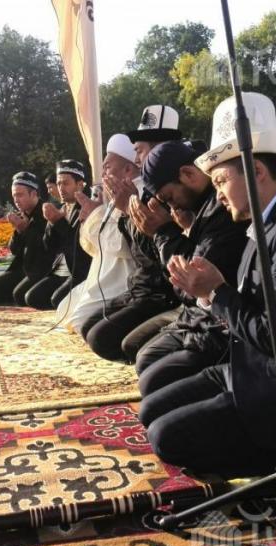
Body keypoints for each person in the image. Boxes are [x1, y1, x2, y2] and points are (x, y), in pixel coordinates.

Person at [140, 92, 276, 478]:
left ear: (256, 171)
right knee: (150, 409)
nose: (219, 194)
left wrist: (215, 292)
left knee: (164, 437)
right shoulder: (268, 222)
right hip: (250, 371)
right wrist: (209, 291)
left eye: (221, 181)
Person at [130, 141, 248, 397]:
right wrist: (180, 231)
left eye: (170, 198)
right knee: (141, 354)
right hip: (199, 317)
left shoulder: (223, 210)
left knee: (152, 376)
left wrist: (165, 232)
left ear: (188, 174)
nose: (173, 208)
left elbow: (192, 282)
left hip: (219, 326)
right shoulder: (201, 207)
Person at [78, 107, 185, 362]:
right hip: (139, 287)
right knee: (88, 326)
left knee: (104, 339)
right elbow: (139, 251)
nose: (137, 160)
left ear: (160, 150)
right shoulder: (143, 191)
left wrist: (129, 211)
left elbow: (158, 258)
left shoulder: (173, 192)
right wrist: (127, 213)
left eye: (140, 151)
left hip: (161, 294)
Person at [57, 134, 139, 332]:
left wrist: (95, 214)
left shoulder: (138, 195)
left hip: (122, 280)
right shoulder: (115, 195)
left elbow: (121, 245)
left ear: (128, 170)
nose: (103, 174)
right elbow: (94, 248)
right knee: (63, 310)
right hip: (103, 275)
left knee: (81, 322)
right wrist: (93, 216)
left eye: (107, 167)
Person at [0, 172, 60, 306]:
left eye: (20, 195)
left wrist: (26, 230)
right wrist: (18, 231)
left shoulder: (47, 213)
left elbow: (46, 248)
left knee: (21, 296)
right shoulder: (22, 215)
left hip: (43, 269)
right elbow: (14, 250)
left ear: (33, 194)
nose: (16, 200)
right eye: (14, 196)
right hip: (23, 269)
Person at [30, 160, 93, 310]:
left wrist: (59, 222)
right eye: (58, 184)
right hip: (60, 271)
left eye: (66, 183)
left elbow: (80, 249)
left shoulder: (87, 208)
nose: (61, 188)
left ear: (80, 185)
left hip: (80, 272)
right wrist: (52, 223)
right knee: (32, 298)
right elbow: (48, 247)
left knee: (57, 300)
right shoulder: (61, 208)